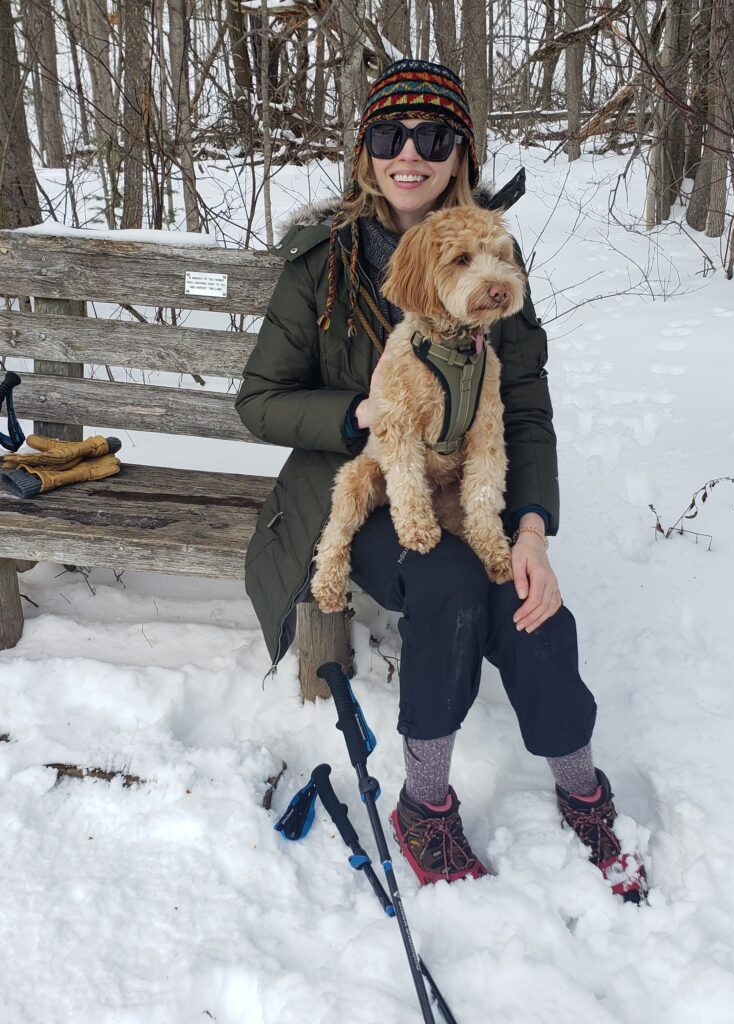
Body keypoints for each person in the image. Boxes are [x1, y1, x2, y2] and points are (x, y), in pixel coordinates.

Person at [235, 59, 645, 903]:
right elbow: (260, 402)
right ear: (366, 151)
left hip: (469, 479)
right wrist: (361, 412)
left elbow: (522, 403)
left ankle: (580, 783)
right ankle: (424, 804)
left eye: (433, 136)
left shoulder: (492, 253)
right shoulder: (323, 262)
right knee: (450, 575)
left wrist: (531, 528)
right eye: (389, 135)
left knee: (523, 590)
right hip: (368, 484)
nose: (409, 154)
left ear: (461, 151)